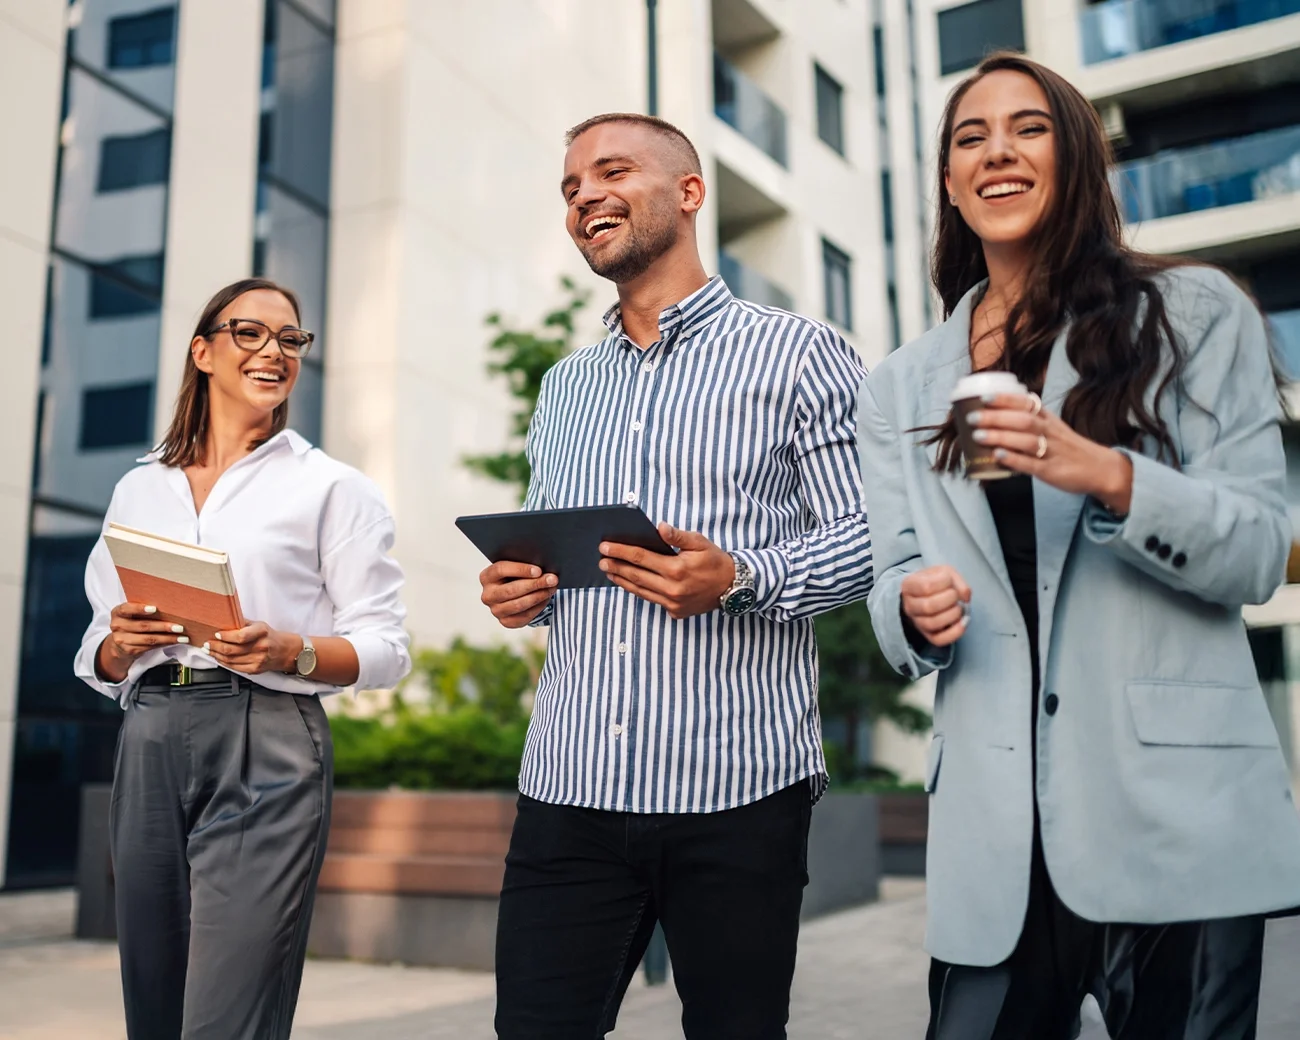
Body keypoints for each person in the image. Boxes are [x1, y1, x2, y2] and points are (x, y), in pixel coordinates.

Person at [858, 52, 1300, 1039]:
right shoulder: (898, 384)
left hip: (1174, 817)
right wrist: (909, 612)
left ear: (1076, 157)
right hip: (994, 832)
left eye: (1028, 127)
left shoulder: (1192, 314)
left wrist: (1104, 473)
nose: (996, 152)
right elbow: (890, 575)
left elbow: (1261, 548)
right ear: (947, 183)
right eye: (969, 138)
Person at [479, 113, 873, 1039]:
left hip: (736, 792)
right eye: (571, 187)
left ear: (689, 193)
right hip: (569, 787)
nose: (584, 197)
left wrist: (737, 574)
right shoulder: (564, 387)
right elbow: (555, 561)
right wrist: (518, 592)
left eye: (610, 172)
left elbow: (872, 542)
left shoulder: (801, 353)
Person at [74, 278, 411, 1040]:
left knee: (227, 1017)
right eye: (251, 333)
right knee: (153, 1005)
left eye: (291, 340)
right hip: (153, 732)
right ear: (203, 352)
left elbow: (387, 649)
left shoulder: (331, 488)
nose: (275, 352)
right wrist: (119, 647)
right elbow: (96, 645)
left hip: (270, 739)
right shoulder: (138, 488)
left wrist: (289, 649)